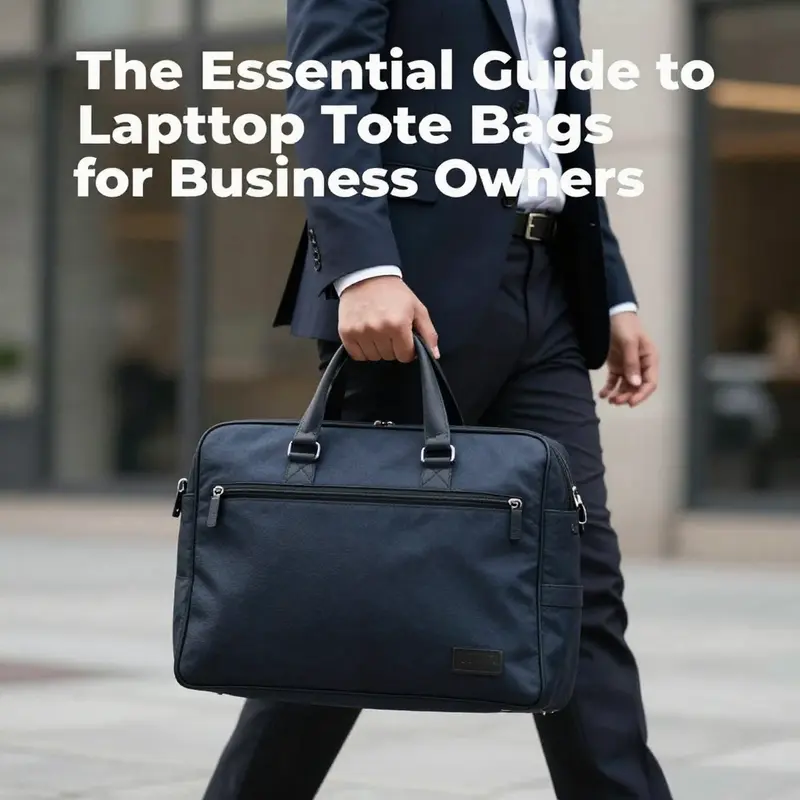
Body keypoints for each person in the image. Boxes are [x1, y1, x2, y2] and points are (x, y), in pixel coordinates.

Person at [203, 0, 672, 797]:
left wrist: (614, 294)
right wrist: (361, 268)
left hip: (548, 294)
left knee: (578, 587)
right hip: (409, 299)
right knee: (348, 589)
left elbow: (561, 131)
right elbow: (328, 85)